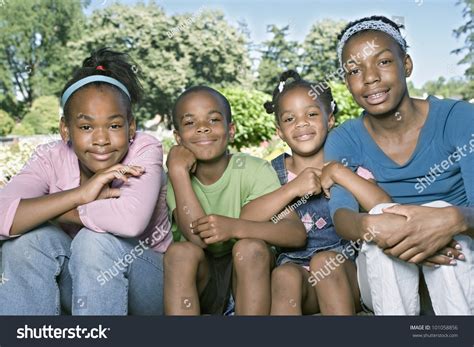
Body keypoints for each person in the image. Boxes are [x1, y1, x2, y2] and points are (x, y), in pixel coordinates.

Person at [0, 48, 171, 315]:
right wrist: (81, 194)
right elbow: (2, 216)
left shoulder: (144, 148)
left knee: (93, 241)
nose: (101, 139)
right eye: (86, 127)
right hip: (83, 285)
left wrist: (59, 213)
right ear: (65, 129)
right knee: (27, 243)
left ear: (131, 127)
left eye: (114, 126)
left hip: (151, 286)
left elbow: (129, 220)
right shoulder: (50, 156)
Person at [325, 15, 474, 315]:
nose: (369, 78)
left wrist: (452, 220)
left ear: (406, 64)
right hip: (385, 274)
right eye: (354, 70)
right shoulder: (344, 139)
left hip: (459, 266)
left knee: (448, 222)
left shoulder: (458, 119)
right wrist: (376, 226)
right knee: (379, 215)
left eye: (383, 62)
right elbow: (342, 217)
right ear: (347, 81)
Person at [248, 69, 391, 315]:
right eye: (290, 119)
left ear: (330, 119)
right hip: (299, 277)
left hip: (346, 273)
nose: (301, 123)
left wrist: (339, 175)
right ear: (279, 131)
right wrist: (293, 189)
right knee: (284, 275)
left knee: (325, 261)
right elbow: (247, 217)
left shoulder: (349, 164)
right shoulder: (273, 173)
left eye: (312, 114)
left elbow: (384, 206)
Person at [164, 86, 306, 315]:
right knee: (180, 253)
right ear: (178, 138)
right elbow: (198, 239)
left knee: (249, 247)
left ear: (231, 130)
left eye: (213, 119)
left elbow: (296, 233)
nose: (203, 128)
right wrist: (178, 173)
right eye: (190, 123)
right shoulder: (176, 175)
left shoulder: (253, 169)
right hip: (202, 282)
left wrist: (235, 228)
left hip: (249, 279)